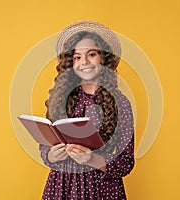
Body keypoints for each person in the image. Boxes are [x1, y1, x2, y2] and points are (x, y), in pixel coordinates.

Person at [39, 20, 135, 200]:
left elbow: (126, 162)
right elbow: (45, 145)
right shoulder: (61, 99)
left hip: (101, 189)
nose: (84, 62)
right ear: (70, 63)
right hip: (62, 186)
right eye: (77, 57)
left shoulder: (120, 103)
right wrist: (51, 155)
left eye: (91, 54)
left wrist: (92, 160)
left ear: (104, 58)